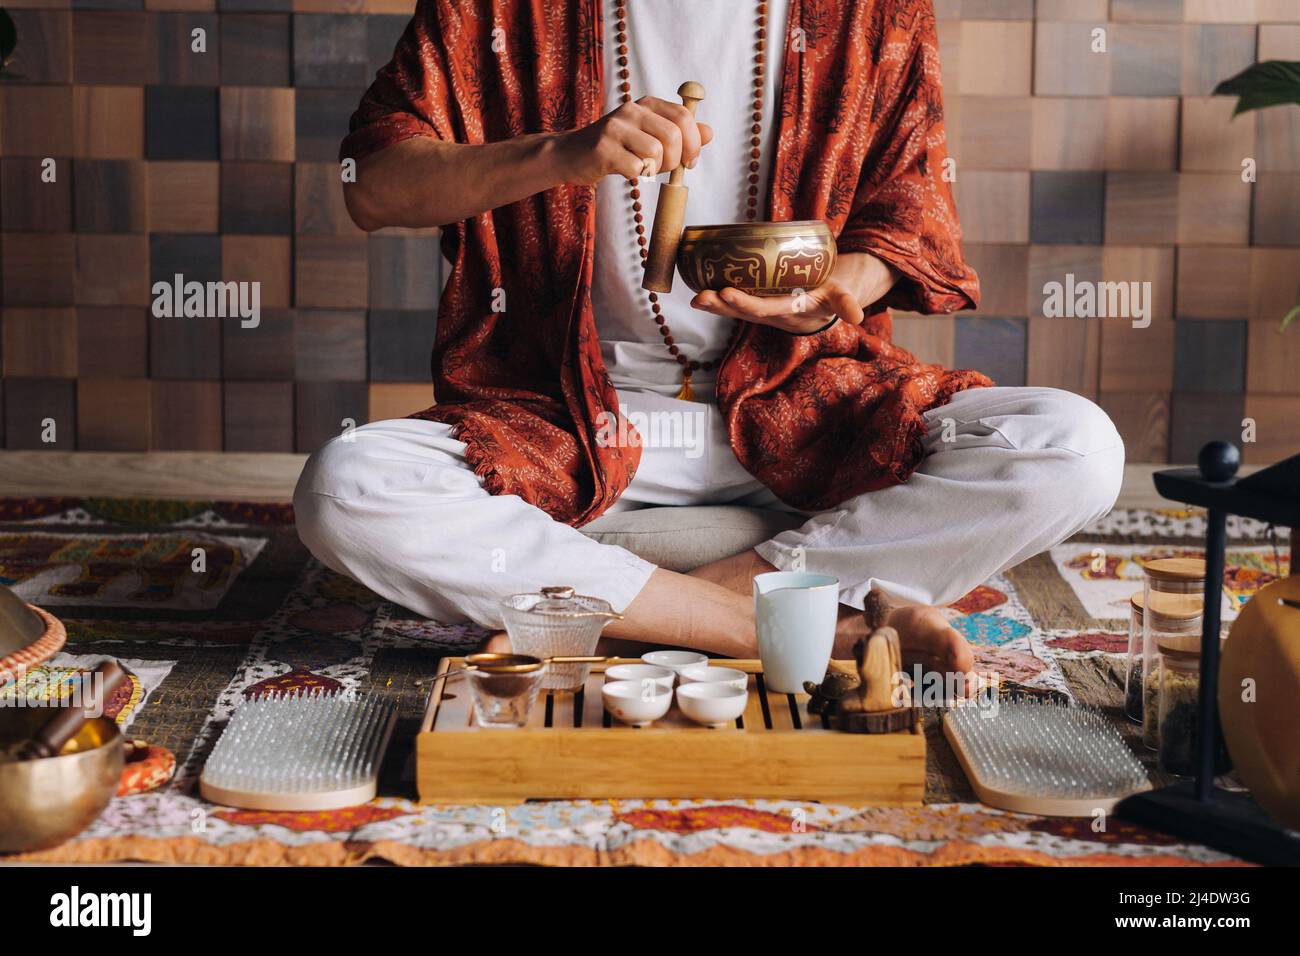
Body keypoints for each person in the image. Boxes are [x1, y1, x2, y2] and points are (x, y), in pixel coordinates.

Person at [294, 0, 1125, 681]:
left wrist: (843, 293)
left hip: (806, 406)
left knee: (1075, 447)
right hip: (571, 423)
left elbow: (907, 217)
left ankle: (627, 617)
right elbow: (370, 186)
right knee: (346, 489)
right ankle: (806, 622)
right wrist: (560, 153)